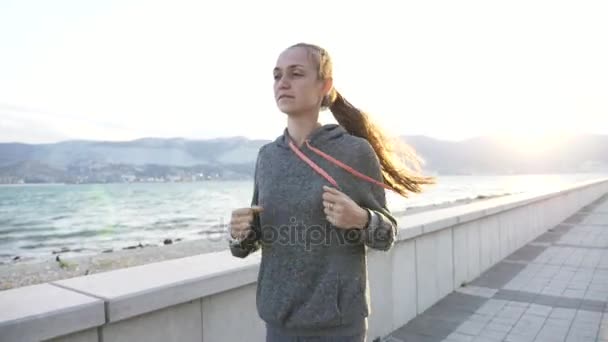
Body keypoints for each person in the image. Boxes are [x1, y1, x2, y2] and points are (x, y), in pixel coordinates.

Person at [228, 42, 435, 342]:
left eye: (296, 73)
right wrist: (239, 234)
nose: (282, 83)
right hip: (278, 323)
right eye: (276, 75)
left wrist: (361, 219)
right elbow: (254, 239)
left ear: (325, 85)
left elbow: (387, 235)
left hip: (338, 325)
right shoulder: (267, 157)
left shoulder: (354, 152)